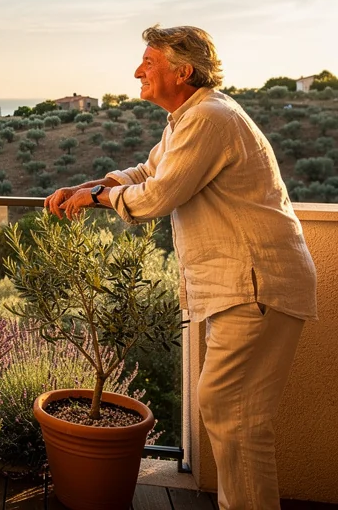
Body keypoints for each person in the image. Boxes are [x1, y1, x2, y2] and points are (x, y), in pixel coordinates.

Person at [44, 25, 317, 510]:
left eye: (148, 63)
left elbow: (157, 196)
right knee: (235, 417)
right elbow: (150, 171)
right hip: (242, 288)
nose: (137, 72)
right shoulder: (187, 118)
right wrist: (89, 186)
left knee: (232, 414)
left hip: (255, 285)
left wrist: (97, 197)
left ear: (182, 70)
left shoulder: (209, 117)